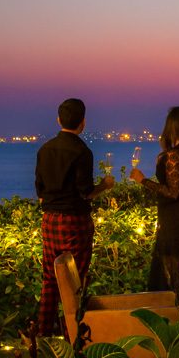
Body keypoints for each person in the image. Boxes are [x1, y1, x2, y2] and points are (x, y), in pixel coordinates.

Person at [34, 98, 114, 336]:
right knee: (75, 280)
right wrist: (105, 185)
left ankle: (43, 336)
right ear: (83, 123)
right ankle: (73, 335)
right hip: (74, 221)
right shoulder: (82, 151)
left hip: (49, 220)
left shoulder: (44, 150)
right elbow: (86, 192)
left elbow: (39, 189)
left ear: (59, 120)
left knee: (49, 279)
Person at [129, 106, 179, 294]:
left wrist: (142, 180)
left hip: (175, 222)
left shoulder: (173, 155)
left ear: (172, 128)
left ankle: (174, 316)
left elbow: (173, 192)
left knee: (172, 278)